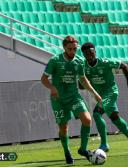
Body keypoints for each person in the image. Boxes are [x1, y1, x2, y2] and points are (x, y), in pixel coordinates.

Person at [41, 36, 102, 165]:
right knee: (64, 128)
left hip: (74, 97)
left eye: (75, 49)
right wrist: (52, 88)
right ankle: (66, 151)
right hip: (58, 99)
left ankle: (83, 149)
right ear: (64, 48)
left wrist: (94, 93)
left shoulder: (79, 61)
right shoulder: (55, 60)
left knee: (87, 119)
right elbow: (44, 79)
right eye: (70, 49)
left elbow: (83, 79)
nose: (73, 51)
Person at [79, 42, 128, 155]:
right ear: (84, 55)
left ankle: (104, 144)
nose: (90, 56)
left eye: (92, 53)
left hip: (111, 92)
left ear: (95, 52)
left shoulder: (105, 62)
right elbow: (81, 87)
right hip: (101, 96)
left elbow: (124, 66)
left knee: (96, 114)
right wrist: (81, 78)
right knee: (115, 118)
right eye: (87, 54)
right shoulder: (83, 67)